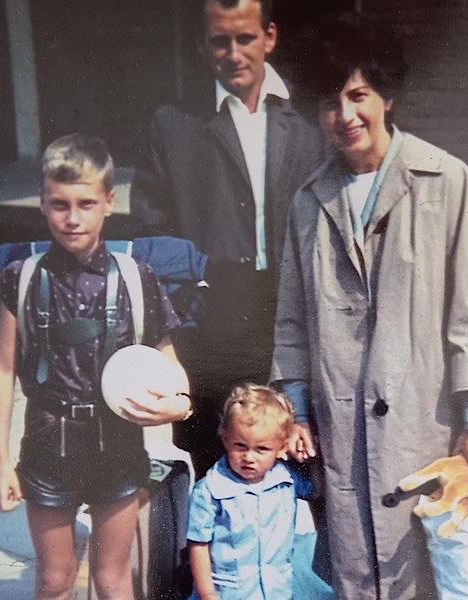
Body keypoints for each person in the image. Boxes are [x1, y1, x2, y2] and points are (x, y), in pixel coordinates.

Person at [271, 12, 468, 600]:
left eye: (359, 95)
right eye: (330, 102)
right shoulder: (308, 201)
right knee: (357, 570)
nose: (346, 115)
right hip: (340, 434)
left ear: (387, 96)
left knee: (439, 570)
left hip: (426, 426)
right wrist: (298, 411)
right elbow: (290, 321)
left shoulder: (447, 181)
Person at [0, 133, 192, 600]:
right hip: (46, 444)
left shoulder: (136, 279)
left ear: (108, 202)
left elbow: (171, 365)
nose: (73, 218)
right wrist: (1, 464)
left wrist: (179, 405)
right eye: (60, 204)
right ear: (42, 201)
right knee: (56, 579)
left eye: (85, 203)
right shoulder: (22, 278)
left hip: (117, 445)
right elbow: (2, 371)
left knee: (112, 578)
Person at [130, 0, 324, 479]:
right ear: (202, 45)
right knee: (219, 467)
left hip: (294, 319)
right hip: (212, 325)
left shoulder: (311, 116)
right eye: (220, 41)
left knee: (300, 460)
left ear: (269, 37)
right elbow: (154, 236)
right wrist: (171, 334)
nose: (233, 53)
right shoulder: (173, 124)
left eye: (245, 38)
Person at [187, 384, 301, 600]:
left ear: (282, 447)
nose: (249, 457)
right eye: (240, 446)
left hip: (277, 591)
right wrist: (207, 594)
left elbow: (321, 486)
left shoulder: (286, 481)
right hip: (230, 593)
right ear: (226, 439)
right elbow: (198, 545)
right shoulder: (210, 490)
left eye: (262, 449)